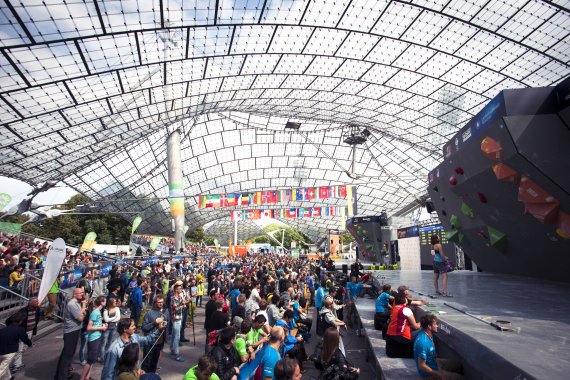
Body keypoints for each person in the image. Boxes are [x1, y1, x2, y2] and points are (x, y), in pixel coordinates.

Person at [414, 314, 464, 379]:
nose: (437, 326)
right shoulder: (423, 343)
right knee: (460, 378)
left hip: (433, 362)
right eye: (435, 324)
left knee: (457, 365)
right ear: (429, 326)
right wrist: (439, 374)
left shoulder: (426, 333)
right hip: (429, 373)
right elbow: (422, 366)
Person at [54, 287, 87, 380]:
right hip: (71, 332)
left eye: (83, 292)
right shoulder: (72, 304)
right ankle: (61, 376)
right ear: (75, 294)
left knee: (69, 354)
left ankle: (64, 373)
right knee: (67, 355)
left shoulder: (77, 303)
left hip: (75, 330)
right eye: (80, 293)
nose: (82, 294)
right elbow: (80, 318)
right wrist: (84, 307)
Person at [80, 295, 107, 380]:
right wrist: (101, 328)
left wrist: (102, 325)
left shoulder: (98, 312)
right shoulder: (95, 312)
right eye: (105, 301)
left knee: (92, 360)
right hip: (93, 338)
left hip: (97, 337)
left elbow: (96, 324)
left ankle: (87, 377)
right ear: (101, 302)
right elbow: (89, 327)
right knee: (90, 360)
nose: (106, 302)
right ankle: (82, 378)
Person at [385, 293, 421, 358]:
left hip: (391, 334)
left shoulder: (394, 307)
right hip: (401, 337)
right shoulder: (406, 310)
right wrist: (423, 322)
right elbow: (416, 326)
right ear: (405, 301)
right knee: (423, 329)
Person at [141, 294, 170, 373]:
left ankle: (152, 375)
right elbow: (144, 328)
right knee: (146, 364)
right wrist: (154, 323)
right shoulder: (149, 313)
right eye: (158, 302)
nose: (161, 304)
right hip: (150, 342)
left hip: (160, 342)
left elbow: (168, 324)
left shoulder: (165, 312)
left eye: (162, 302)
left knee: (154, 363)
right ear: (155, 303)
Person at [0, 312, 32, 378]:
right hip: (10, 351)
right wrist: (30, 344)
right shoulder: (19, 329)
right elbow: (25, 339)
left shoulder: (3, 329)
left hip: (1, 350)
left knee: (5, 366)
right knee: (3, 368)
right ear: (20, 321)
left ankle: (8, 378)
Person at [100, 297, 121, 362]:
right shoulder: (106, 310)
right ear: (111, 303)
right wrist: (114, 318)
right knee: (103, 343)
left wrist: (110, 319)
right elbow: (106, 319)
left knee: (110, 343)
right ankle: (102, 358)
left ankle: (106, 356)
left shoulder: (117, 308)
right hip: (106, 329)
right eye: (114, 302)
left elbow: (118, 318)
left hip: (114, 328)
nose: (116, 302)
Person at [170, 283, 186, 362]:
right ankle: (176, 353)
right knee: (177, 336)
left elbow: (183, 304)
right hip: (175, 318)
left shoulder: (180, 297)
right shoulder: (173, 298)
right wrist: (182, 306)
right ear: (176, 289)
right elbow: (176, 308)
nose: (181, 289)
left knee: (174, 334)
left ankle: (173, 350)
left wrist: (184, 304)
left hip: (179, 317)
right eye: (180, 288)